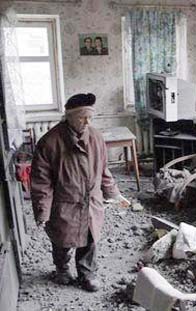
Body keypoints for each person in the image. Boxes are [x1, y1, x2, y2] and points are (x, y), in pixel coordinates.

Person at [31, 93, 130, 292]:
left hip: (91, 201)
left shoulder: (96, 137)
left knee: (90, 239)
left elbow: (103, 170)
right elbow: (42, 182)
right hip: (64, 202)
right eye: (81, 117)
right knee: (61, 240)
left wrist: (114, 194)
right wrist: (43, 211)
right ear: (68, 116)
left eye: (89, 118)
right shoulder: (49, 142)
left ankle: (87, 274)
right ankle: (62, 268)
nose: (87, 122)